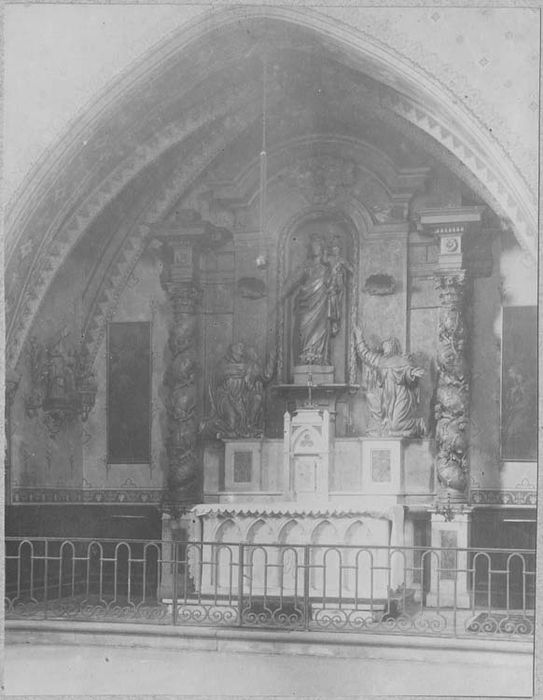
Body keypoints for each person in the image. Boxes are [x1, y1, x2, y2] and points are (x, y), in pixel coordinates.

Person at [353, 325, 426, 438]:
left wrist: (412, 373)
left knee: (396, 425)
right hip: (387, 399)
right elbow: (365, 354)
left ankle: (418, 424)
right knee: (390, 427)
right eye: (383, 345)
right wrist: (359, 337)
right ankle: (399, 431)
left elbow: (407, 371)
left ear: (393, 345)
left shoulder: (402, 360)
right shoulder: (380, 360)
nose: (384, 347)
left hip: (401, 396)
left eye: (387, 344)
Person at [282, 235, 332, 365]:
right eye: (313, 245)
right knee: (303, 329)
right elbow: (291, 282)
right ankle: (305, 359)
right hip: (305, 304)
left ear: (322, 249)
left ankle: (318, 358)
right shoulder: (306, 268)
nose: (314, 248)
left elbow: (334, 287)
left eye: (317, 245)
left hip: (321, 306)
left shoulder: (327, 270)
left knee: (320, 332)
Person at [327, 237, 353, 337]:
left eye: (337, 248)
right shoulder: (329, 259)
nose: (335, 250)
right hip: (329, 285)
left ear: (340, 249)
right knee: (331, 302)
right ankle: (333, 321)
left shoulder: (342, 260)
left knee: (336, 303)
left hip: (339, 285)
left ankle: (335, 322)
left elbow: (351, 269)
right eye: (333, 248)